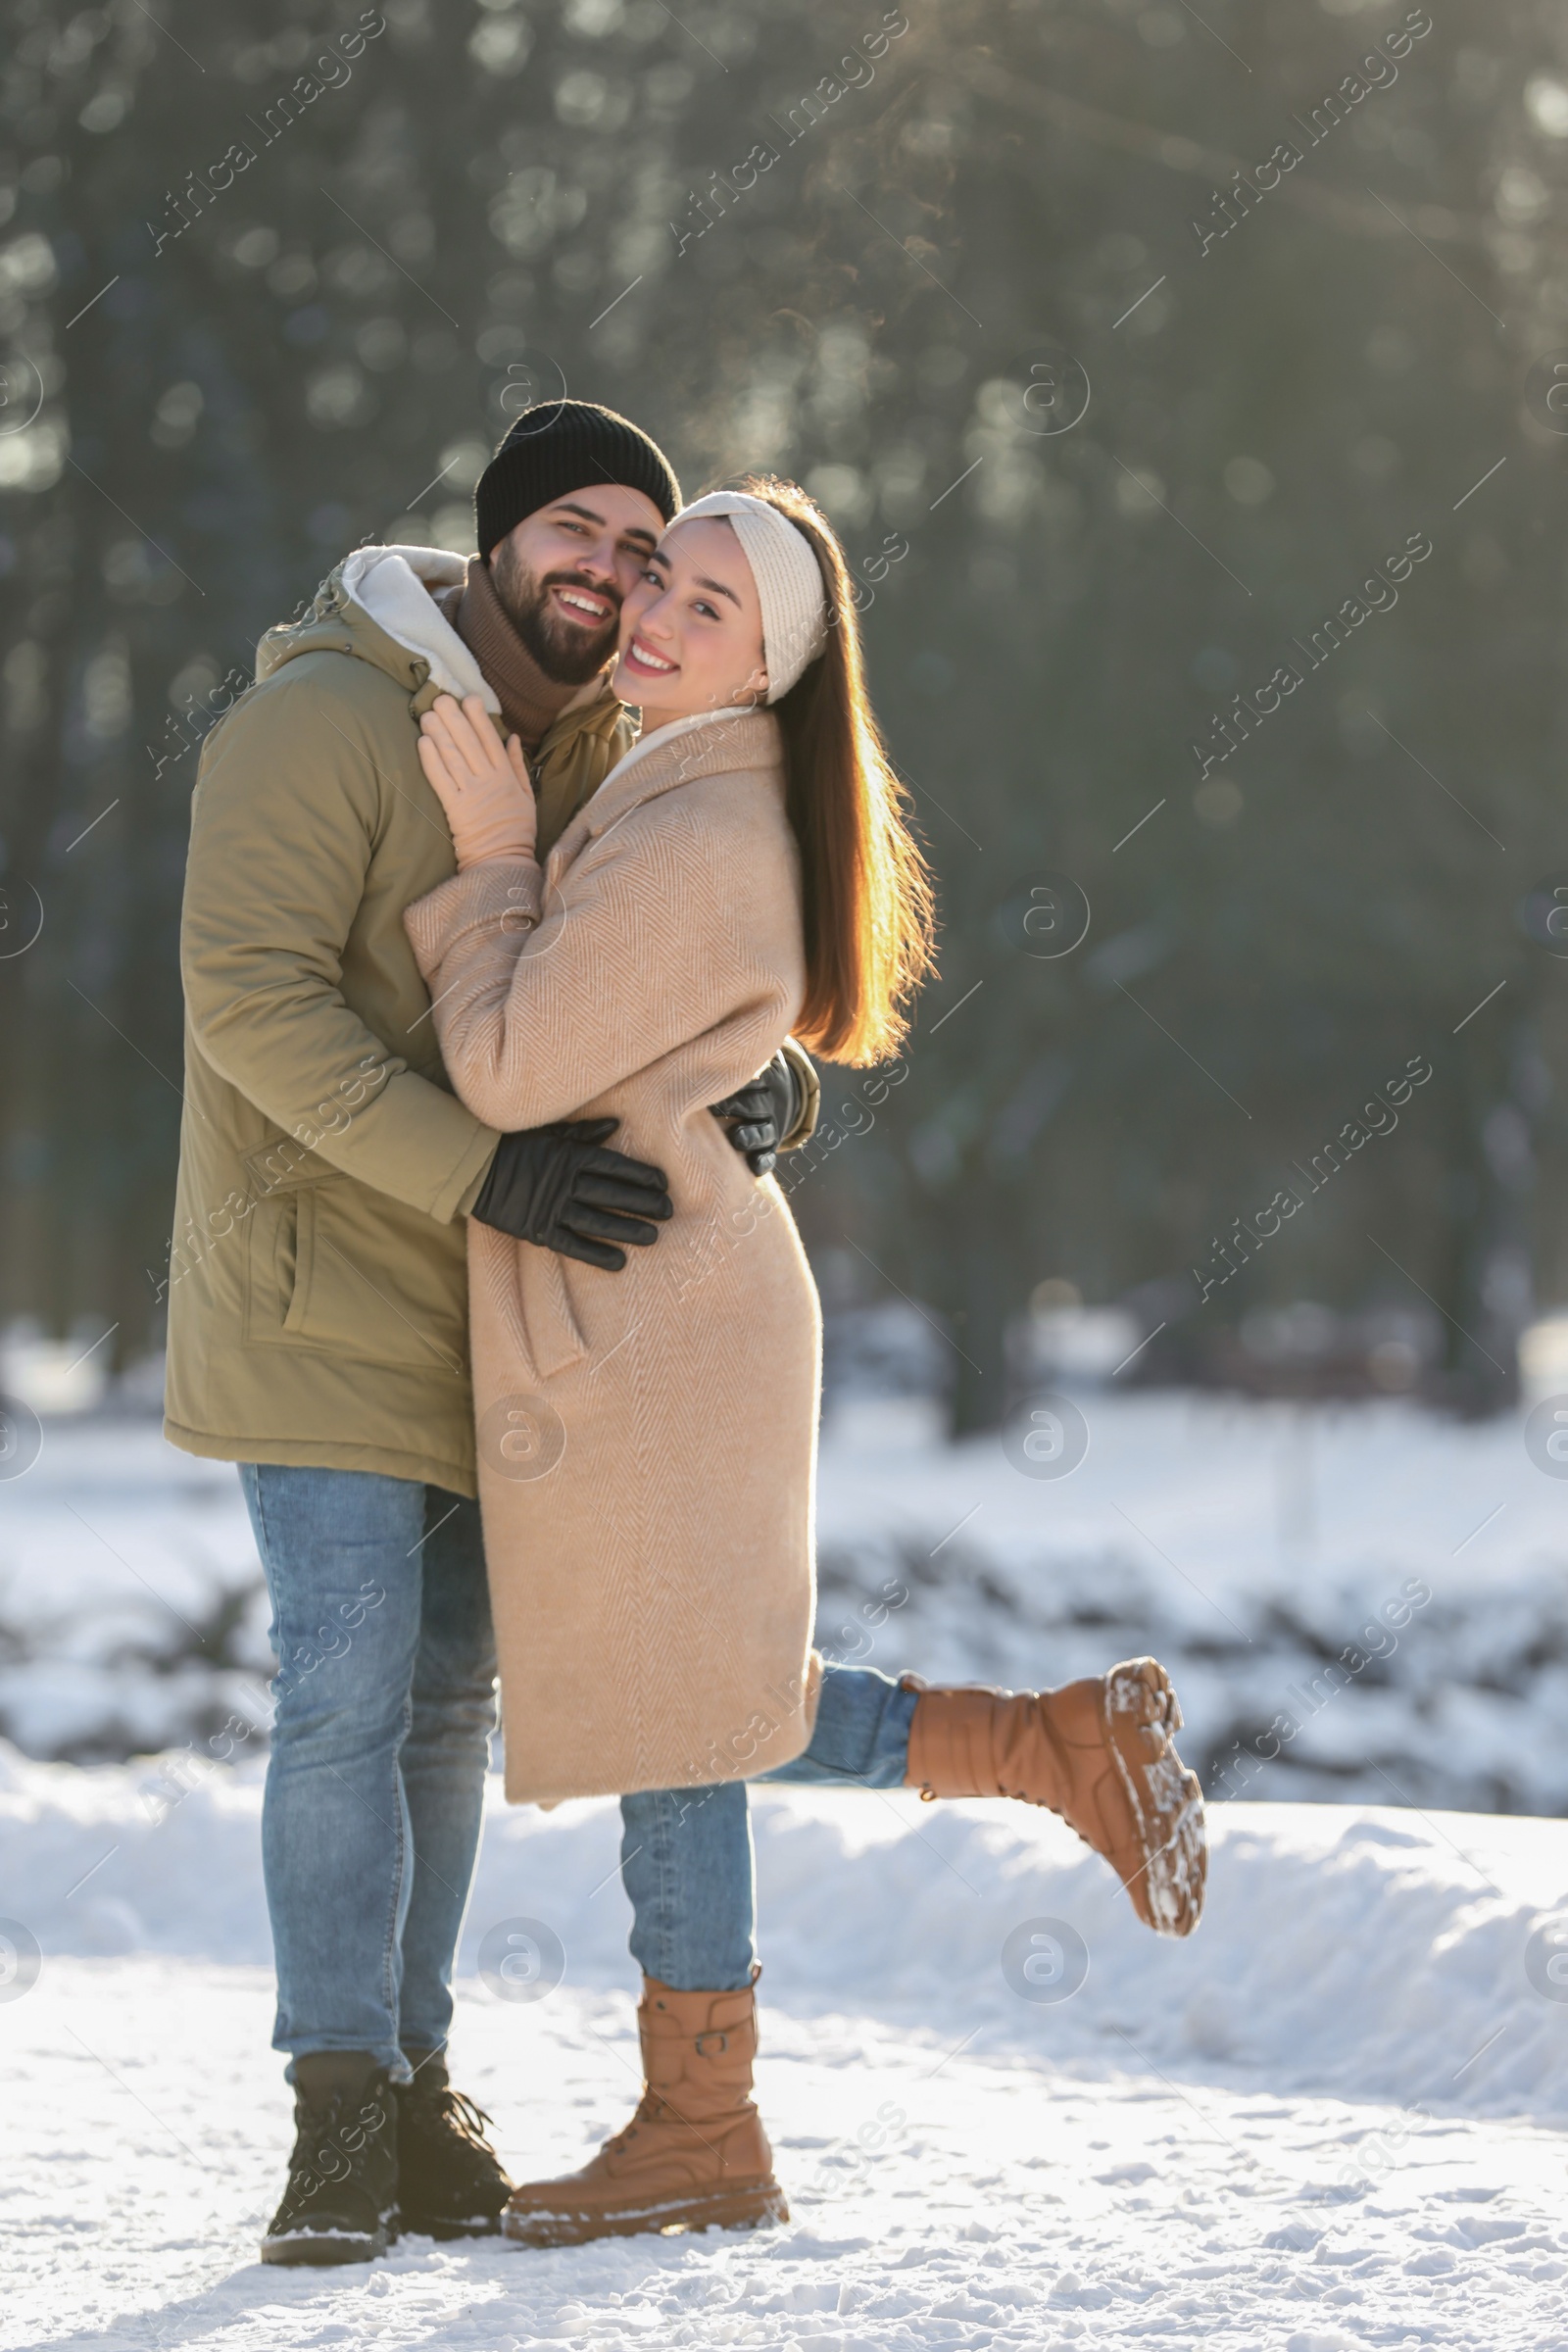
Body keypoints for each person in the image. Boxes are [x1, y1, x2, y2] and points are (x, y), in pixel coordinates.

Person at [407, 476, 1209, 2249]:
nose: (658, 619)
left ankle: (705, 2125)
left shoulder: (699, 822)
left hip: (661, 1316)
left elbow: (515, 1066)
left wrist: (483, 867)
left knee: (686, 1709)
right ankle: (1051, 1749)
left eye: (712, 611)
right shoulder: (684, 783)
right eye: (662, 583)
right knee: (693, 1692)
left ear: (773, 667)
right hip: (667, 1303)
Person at [165, 402, 822, 2267]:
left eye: (642, 558)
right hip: (321, 1299)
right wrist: (488, 1173)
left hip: (501, 1320)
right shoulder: (319, 719)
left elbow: (651, 961)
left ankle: (417, 2085)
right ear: (504, 533)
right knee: (346, 1693)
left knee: (447, 1710)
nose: (611, 583)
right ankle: (329, 2111)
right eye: (584, 539)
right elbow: (252, 1012)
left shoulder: (606, 738)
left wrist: (758, 1085)